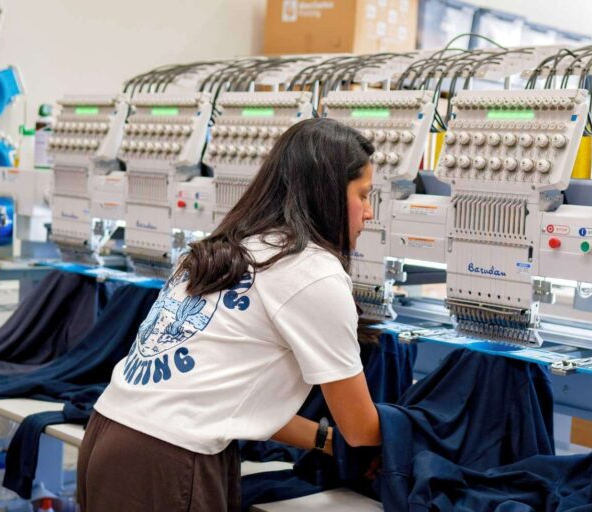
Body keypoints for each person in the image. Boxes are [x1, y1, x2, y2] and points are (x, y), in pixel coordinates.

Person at [77, 118, 382, 511]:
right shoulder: (312, 272)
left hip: (109, 437)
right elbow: (361, 429)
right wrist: (416, 439)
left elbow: (228, 397)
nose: (369, 213)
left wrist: (325, 441)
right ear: (328, 194)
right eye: (364, 195)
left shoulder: (224, 251)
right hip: (167, 459)